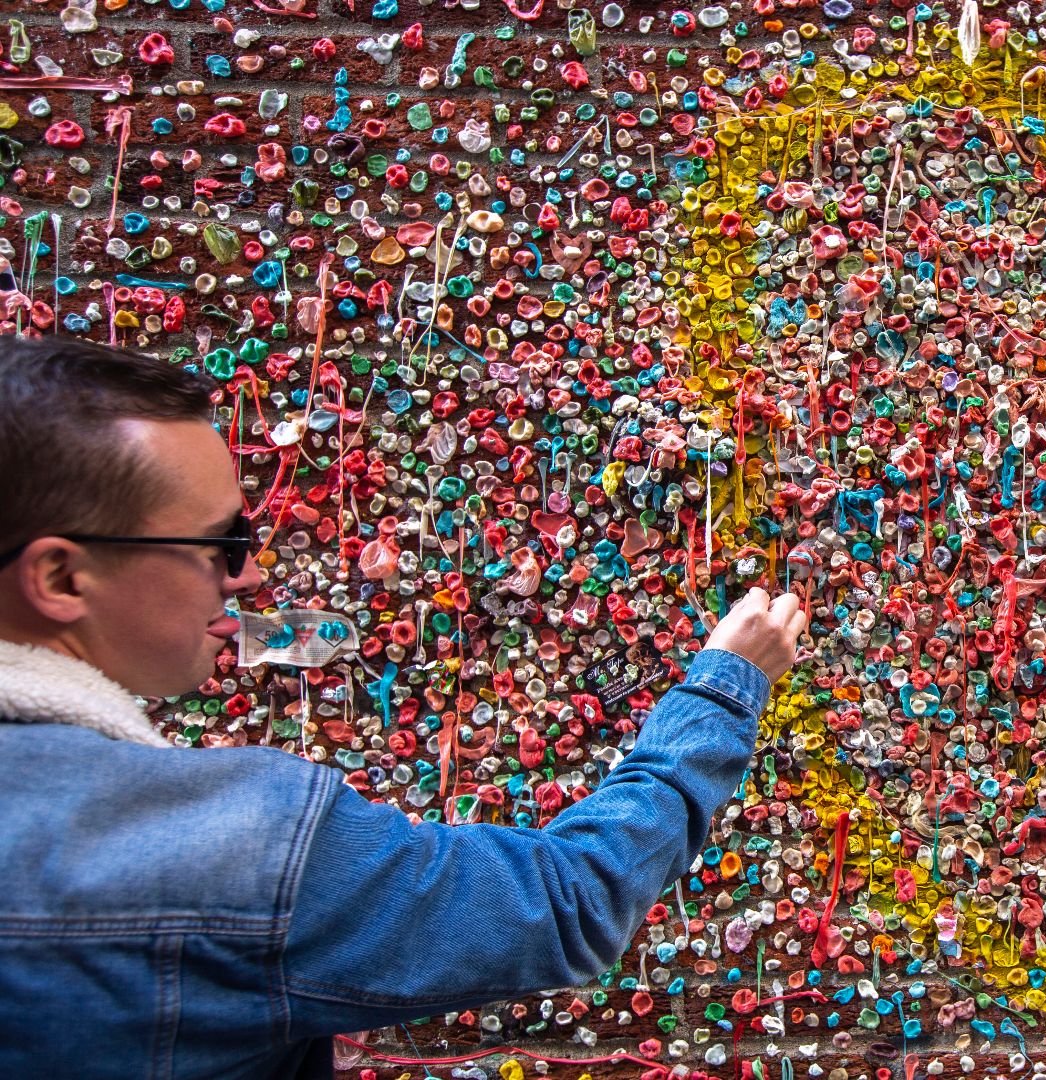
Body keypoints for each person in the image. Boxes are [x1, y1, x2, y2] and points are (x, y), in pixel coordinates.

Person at [0, 335, 808, 1078]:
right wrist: (725, 683)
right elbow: (569, 903)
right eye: (224, 545)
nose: (243, 579)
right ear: (63, 579)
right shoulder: (232, 848)